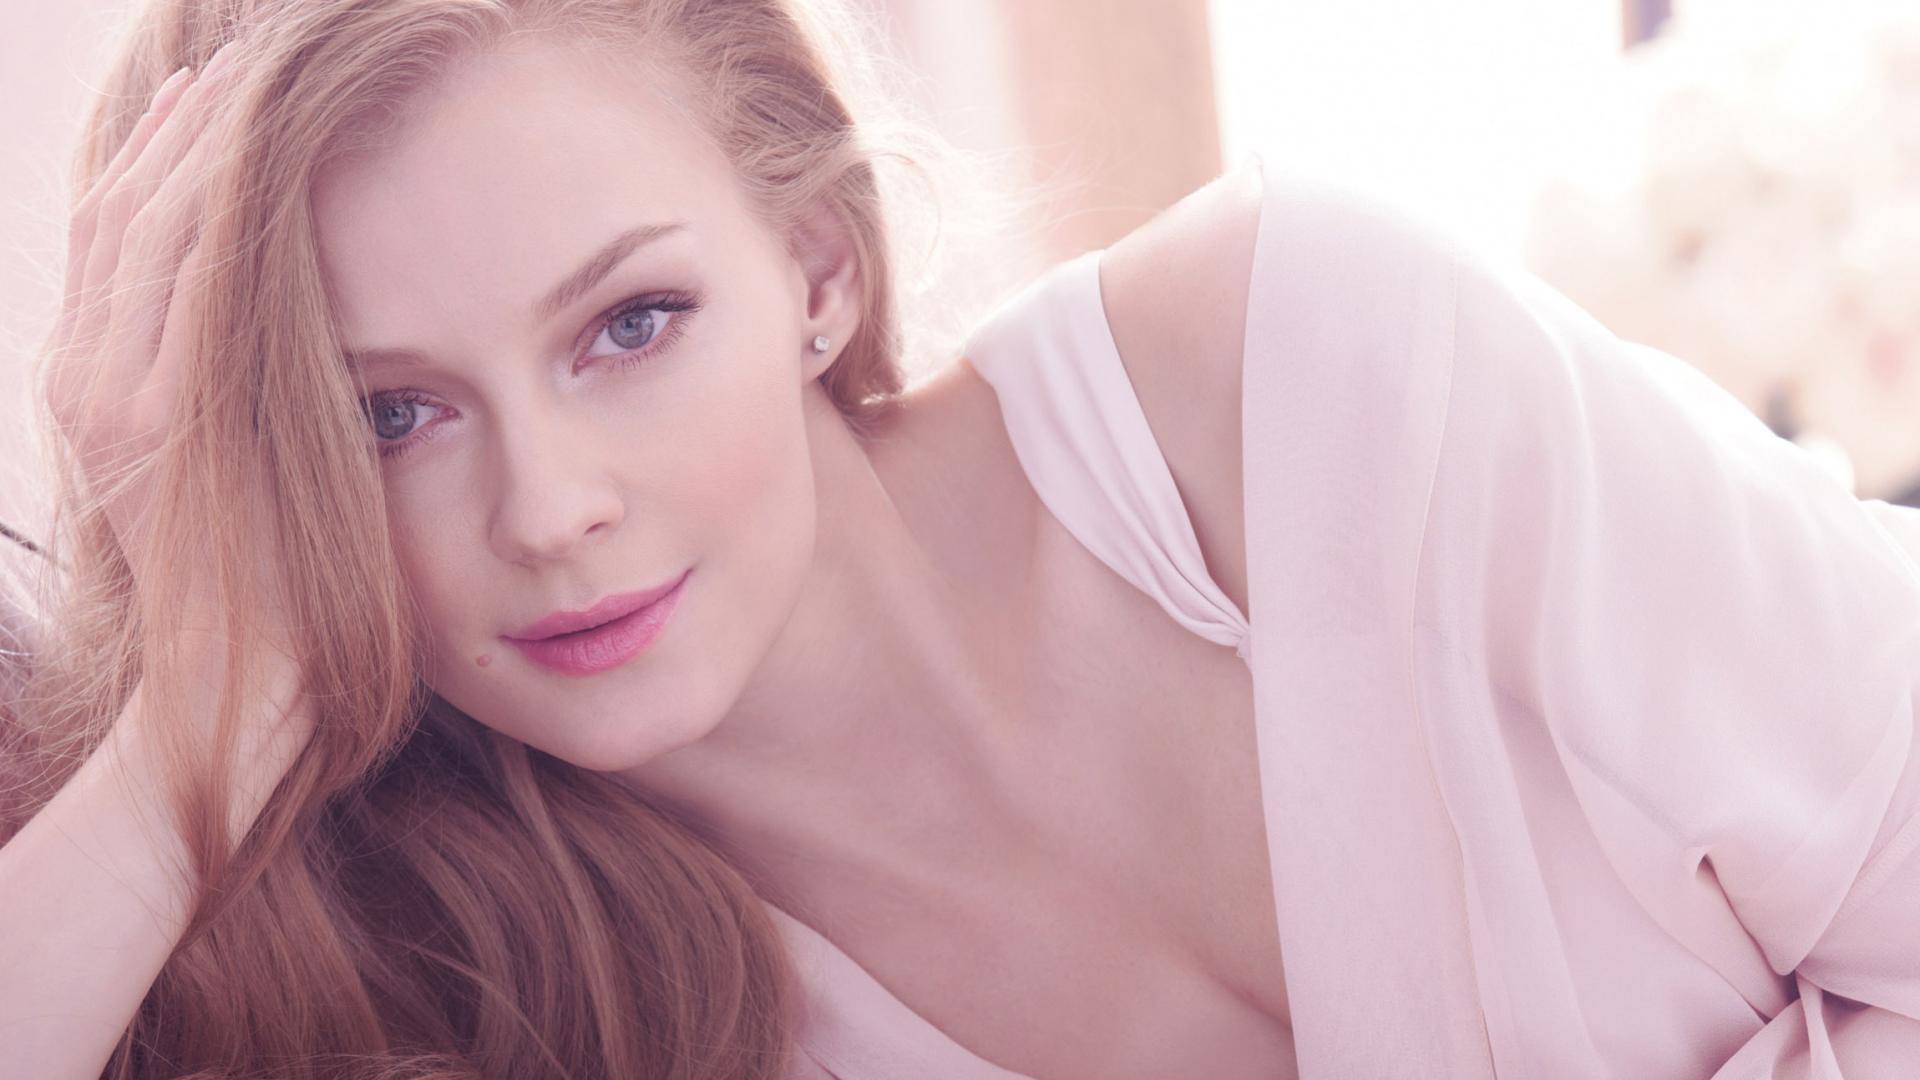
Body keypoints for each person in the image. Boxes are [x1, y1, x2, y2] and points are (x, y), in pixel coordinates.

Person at [4, 2, 1918, 1079]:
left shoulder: (1307, 367)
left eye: (632, 325)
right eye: (386, 418)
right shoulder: (511, 988)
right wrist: (183, 747)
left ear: (816, 269)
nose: (549, 506)